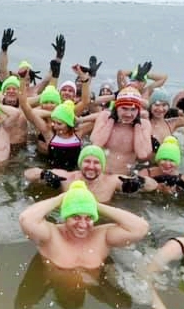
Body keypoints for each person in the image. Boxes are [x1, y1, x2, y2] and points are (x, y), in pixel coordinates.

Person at [18, 180, 151, 270]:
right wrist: (62, 198)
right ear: (65, 217)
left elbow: (141, 228)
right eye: (76, 217)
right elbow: (26, 219)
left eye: (88, 218)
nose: (82, 224)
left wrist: (94, 204)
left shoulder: (103, 236)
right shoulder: (51, 235)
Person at [24, 144, 145, 203]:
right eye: (87, 161)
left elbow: (152, 186)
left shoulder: (112, 181)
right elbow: (28, 174)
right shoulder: (66, 178)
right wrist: (44, 174)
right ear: (80, 163)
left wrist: (140, 182)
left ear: (102, 166)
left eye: (96, 163)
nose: (91, 167)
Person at [89, 86, 154, 173]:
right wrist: (112, 119)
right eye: (124, 108)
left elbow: (142, 154)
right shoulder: (104, 117)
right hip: (98, 175)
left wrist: (137, 124)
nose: (128, 114)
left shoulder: (144, 125)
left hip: (122, 179)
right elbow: (96, 144)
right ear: (116, 108)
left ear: (138, 111)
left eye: (133, 109)